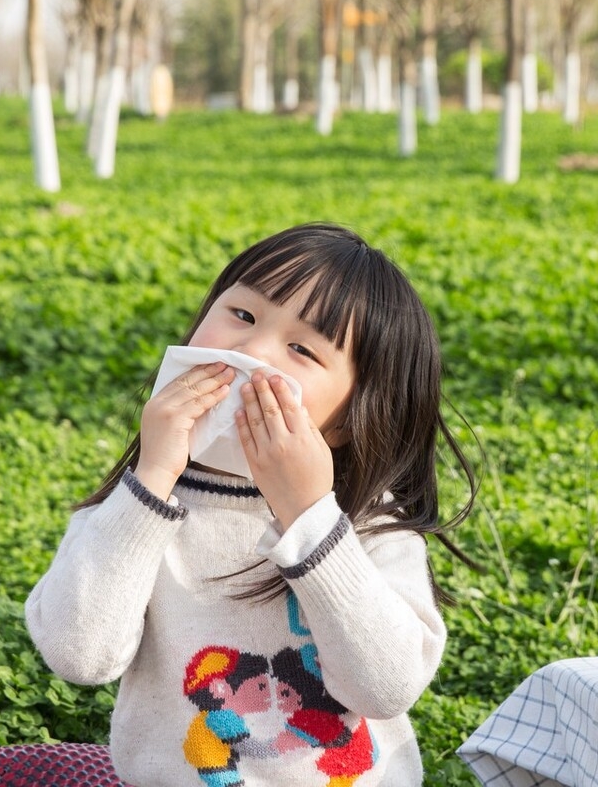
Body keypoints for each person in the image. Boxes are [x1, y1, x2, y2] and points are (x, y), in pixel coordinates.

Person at [25, 222, 477, 787]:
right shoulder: (141, 504)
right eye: (242, 316)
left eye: (302, 349)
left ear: (349, 418)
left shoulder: (369, 523)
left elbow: (385, 687)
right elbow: (79, 655)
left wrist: (310, 516)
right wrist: (153, 476)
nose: (253, 350)